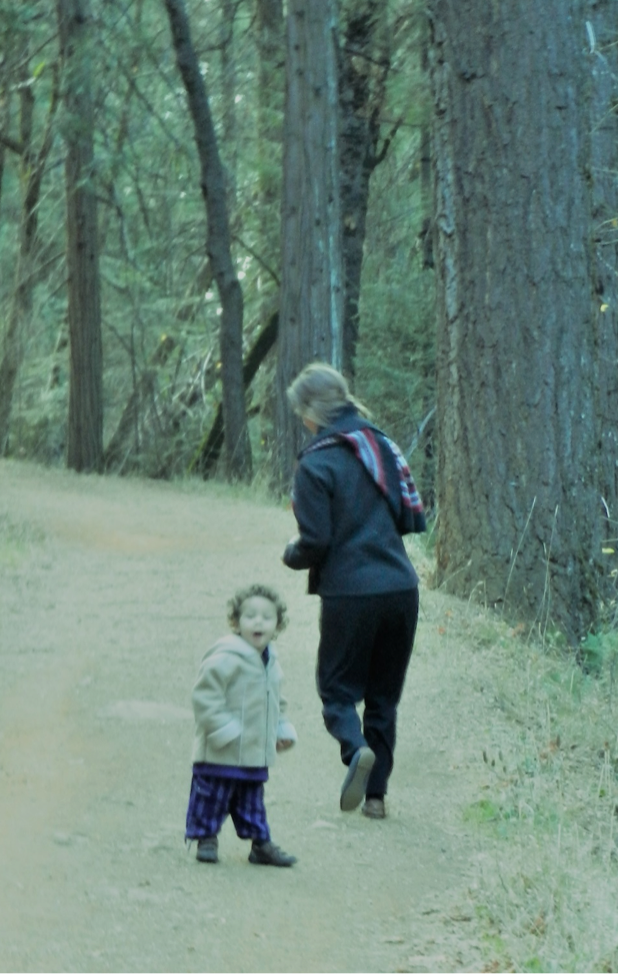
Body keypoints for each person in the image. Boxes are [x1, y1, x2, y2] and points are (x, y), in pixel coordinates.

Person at [282, 363, 426, 820]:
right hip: (402, 588)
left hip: (351, 593)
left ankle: (355, 748)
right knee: (384, 697)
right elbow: (406, 514)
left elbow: (316, 541)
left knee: (337, 691)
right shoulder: (380, 445)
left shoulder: (316, 462)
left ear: (311, 412)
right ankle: (377, 798)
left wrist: (292, 554)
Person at [185, 583, 298, 866]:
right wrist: (224, 727)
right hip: (220, 750)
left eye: (266, 617)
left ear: (277, 625)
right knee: (211, 795)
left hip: (252, 751)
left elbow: (276, 701)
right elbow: (204, 696)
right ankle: (206, 838)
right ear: (236, 622)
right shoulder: (225, 656)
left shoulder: (272, 662)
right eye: (250, 616)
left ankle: (260, 844)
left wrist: (280, 729)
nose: (258, 621)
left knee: (251, 801)